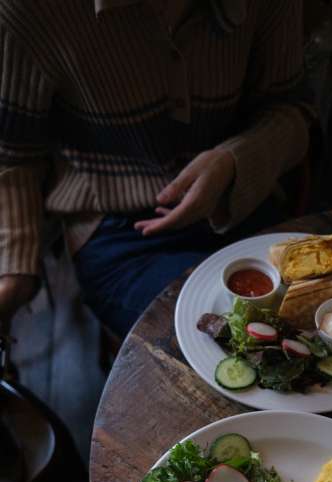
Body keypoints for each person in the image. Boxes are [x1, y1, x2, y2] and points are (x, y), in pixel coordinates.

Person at [0, 0, 313, 338]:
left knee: (308, 327)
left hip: (245, 202)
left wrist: (235, 162)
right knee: (236, 341)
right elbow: (12, 155)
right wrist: (15, 267)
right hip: (120, 231)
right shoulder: (28, 8)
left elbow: (292, 108)